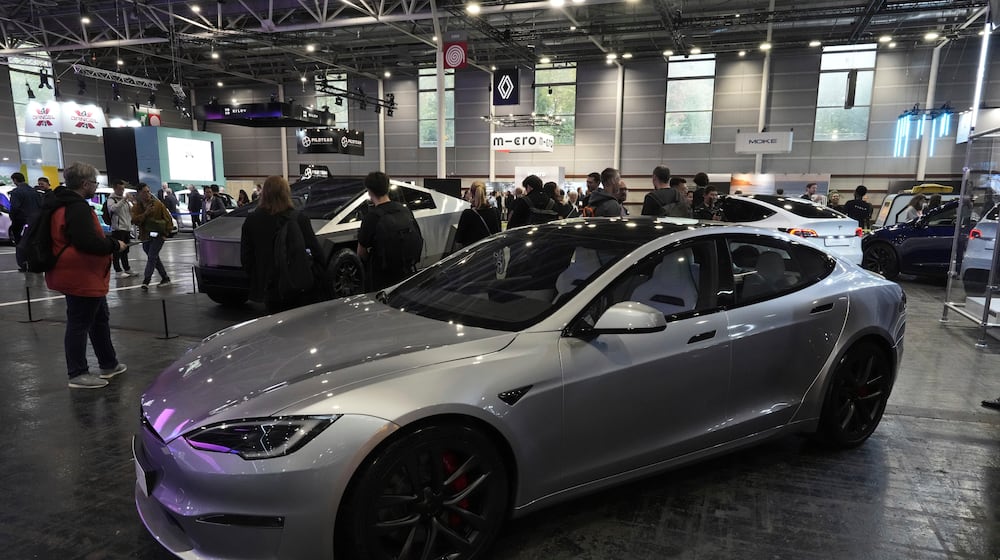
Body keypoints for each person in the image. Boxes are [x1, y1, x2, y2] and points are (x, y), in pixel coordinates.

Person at [44, 162, 128, 389]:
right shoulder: (77, 207)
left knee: (99, 318)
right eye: (94, 183)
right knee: (79, 323)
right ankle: (78, 372)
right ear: (84, 184)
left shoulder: (61, 203)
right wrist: (115, 244)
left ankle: (109, 364)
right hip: (80, 275)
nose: (95, 186)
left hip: (83, 275)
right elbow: (87, 242)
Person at [241, 175, 324, 313]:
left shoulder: (252, 220)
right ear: (286, 193)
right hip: (296, 287)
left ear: (264, 193)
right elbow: (317, 253)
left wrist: (258, 278)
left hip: (267, 288)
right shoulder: (298, 218)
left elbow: (246, 257)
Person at [357, 171, 423, 291]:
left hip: (382, 276)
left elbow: (361, 252)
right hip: (406, 271)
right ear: (387, 188)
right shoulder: (404, 210)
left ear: (369, 191)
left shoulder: (372, 217)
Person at [131, 182, 174, 290]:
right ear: (139, 193)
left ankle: (146, 280)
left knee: (152, 257)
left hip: (159, 235)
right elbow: (134, 220)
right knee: (154, 257)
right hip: (145, 236)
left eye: (148, 192)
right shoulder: (137, 207)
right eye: (144, 192)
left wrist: (166, 234)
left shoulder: (158, 204)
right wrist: (145, 213)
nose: (147, 194)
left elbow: (168, 219)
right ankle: (165, 277)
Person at [452, 181, 501, 252]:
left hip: (473, 257)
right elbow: (498, 234)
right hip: (490, 254)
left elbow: (459, 239)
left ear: (471, 194)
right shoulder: (495, 212)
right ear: (485, 193)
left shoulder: (467, 214)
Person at [10, 171, 42, 271]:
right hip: (36, 221)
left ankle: (24, 265)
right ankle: (36, 264)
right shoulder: (34, 191)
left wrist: (13, 219)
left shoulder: (16, 192)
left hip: (21, 222)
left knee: (21, 244)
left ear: (15, 180)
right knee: (34, 243)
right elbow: (40, 206)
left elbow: (15, 208)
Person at [106, 180, 135, 278]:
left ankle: (127, 269)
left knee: (125, 250)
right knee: (117, 251)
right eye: (120, 189)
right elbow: (113, 209)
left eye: (123, 189)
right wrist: (123, 200)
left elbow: (130, 212)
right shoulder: (111, 199)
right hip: (118, 229)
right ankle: (118, 271)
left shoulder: (125, 200)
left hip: (126, 228)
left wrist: (131, 202)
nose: (122, 191)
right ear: (114, 188)